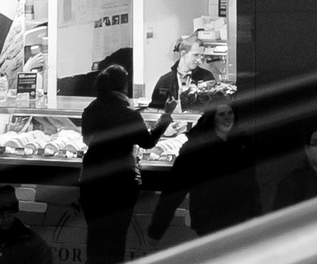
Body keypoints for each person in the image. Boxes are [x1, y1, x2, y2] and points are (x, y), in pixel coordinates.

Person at [76, 65, 169, 264]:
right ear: (123, 86)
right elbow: (148, 142)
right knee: (116, 238)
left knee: (95, 237)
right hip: (120, 183)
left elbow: (87, 140)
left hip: (91, 181)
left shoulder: (90, 109)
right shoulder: (128, 114)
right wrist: (165, 118)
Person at [148, 103, 263, 242]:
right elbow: (175, 186)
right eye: (221, 114)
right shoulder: (196, 145)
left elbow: (250, 180)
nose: (227, 118)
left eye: (229, 113)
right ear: (212, 118)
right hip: (208, 216)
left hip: (237, 215)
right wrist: (157, 229)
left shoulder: (242, 141)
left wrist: (256, 212)